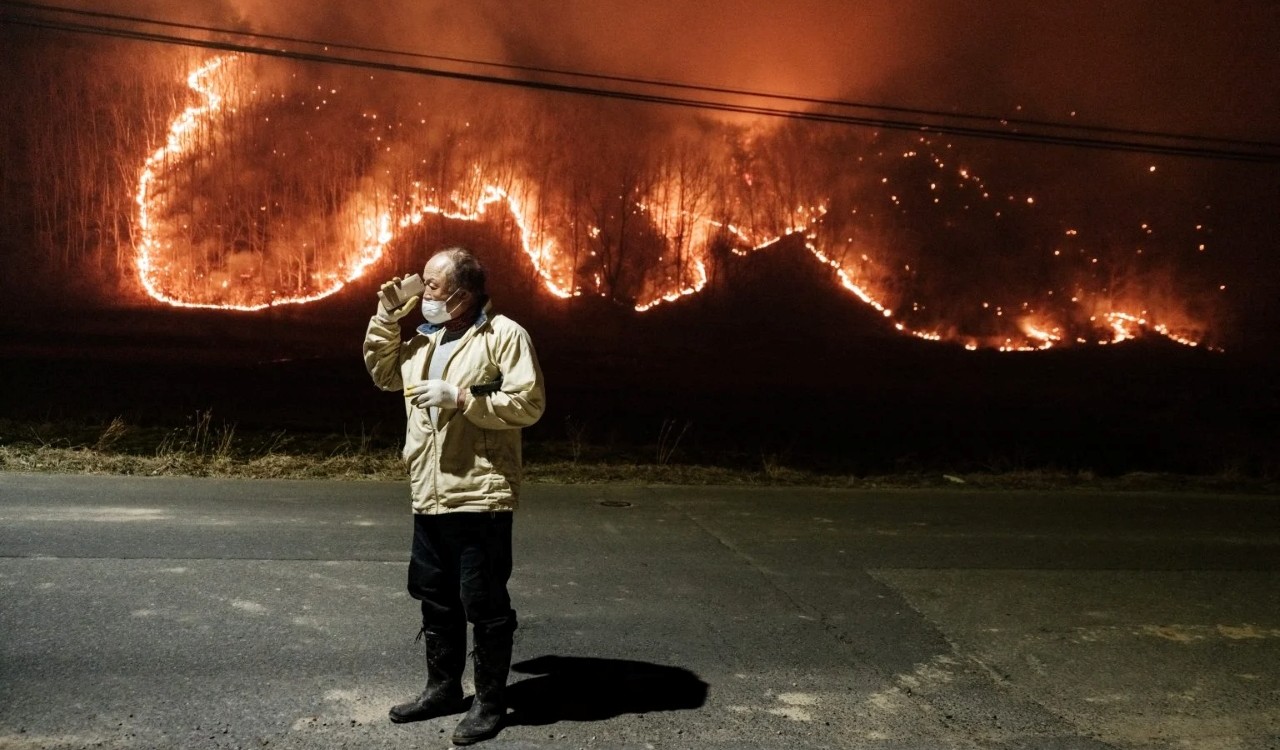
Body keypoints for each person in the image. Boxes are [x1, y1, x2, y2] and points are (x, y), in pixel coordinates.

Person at [364, 246, 546, 745]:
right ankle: (442, 689)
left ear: (464, 292)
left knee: (483, 601)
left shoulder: (503, 335)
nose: (424, 293)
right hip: (430, 490)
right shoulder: (425, 340)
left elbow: (528, 404)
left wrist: (465, 398)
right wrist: (386, 314)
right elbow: (382, 373)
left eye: (433, 285)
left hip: (480, 492)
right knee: (435, 596)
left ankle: (489, 702)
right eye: (424, 283)